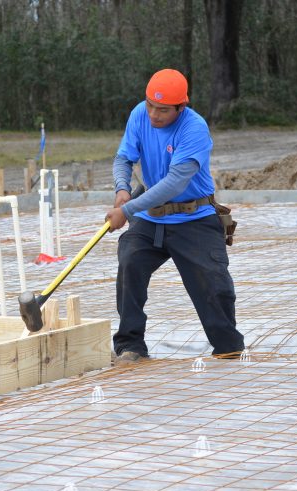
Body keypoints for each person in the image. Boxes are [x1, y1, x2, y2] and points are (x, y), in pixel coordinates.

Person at [105, 69, 245, 365]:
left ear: (181, 107)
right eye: (150, 106)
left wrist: (126, 210)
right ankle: (130, 346)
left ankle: (228, 349)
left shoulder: (194, 128)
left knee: (213, 285)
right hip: (151, 218)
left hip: (194, 217)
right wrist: (121, 189)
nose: (154, 115)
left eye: (163, 110)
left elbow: (174, 183)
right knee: (130, 261)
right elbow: (124, 158)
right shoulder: (139, 115)